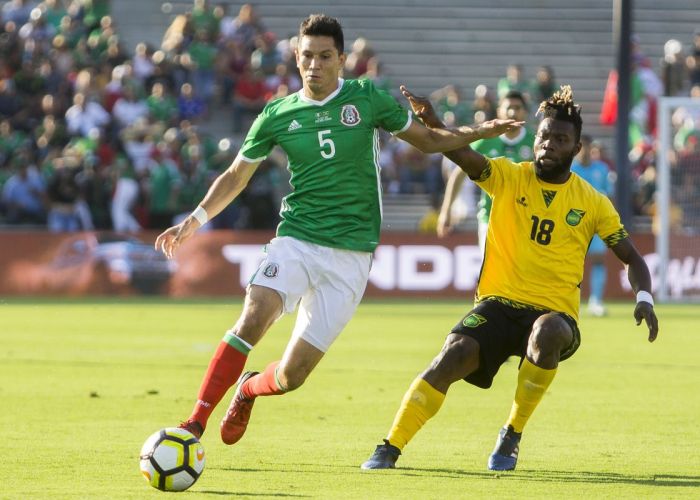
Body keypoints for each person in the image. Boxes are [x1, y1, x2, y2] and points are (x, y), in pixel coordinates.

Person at [155, 14, 521, 446]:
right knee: (253, 317)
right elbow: (236, 175)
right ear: (296, 57)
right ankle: (193, 423)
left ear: (342, 59)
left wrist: (480, 131)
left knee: (292, 376)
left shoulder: (366, 99)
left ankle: (249, 387)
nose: (315, 65)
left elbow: (428, 141)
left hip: (351, 255)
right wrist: (193, 220)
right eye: (307, 56)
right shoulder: (277, 114)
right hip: (296, 239)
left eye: (325, 56)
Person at [361, 85, 659, 471]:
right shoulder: (506, 175)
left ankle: (512, 433)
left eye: (560, 139)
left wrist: (644, 298)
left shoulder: (593, 202)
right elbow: (460, 154)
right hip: (497, 304)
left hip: (555, 313)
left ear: (577, 148)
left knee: (547, 332)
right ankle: (390, 445)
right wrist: (432, 123)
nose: (549, 145)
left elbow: (632, 258)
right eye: (544, 136)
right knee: (452, 354)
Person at [438, 90, 534, 252]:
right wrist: (446, 211)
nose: (512, 112)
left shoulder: (535, 141)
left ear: (524, 112)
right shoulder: (486, 141)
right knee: (490, 272)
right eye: (508, 107)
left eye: (517, 108)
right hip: (490, 217)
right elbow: (458, 174)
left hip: (526, 218)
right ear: (499, 111)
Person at [571, 135, 615, 316]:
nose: (585, 151)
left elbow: (609, 196)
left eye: (588, 147)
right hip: (572, 223)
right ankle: (569, 300)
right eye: (581, 147)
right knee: (571, 262)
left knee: (598, 258)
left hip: (596, 223)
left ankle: (596, 300)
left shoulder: (602, 169)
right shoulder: (571, 169)